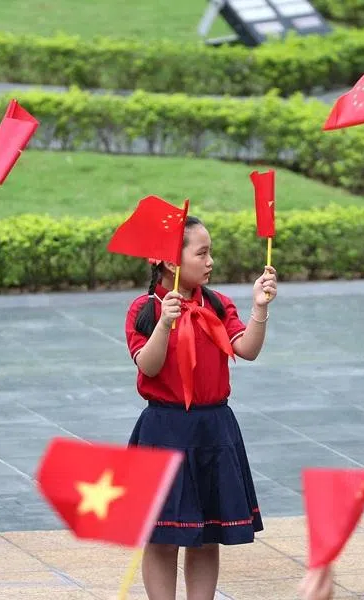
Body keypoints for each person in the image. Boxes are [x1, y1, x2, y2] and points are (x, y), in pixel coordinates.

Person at [124, 215, 277, 600]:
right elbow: (149, 365)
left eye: (211, 253)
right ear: (172, 264)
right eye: (202, 253)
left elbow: (248, 349)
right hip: (163, 430)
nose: (210, 262)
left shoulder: (217, 303)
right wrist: (164, 324)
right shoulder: (143, 309)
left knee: (208, 534)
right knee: (162, 537)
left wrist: (259, 308)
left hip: (213, 429)